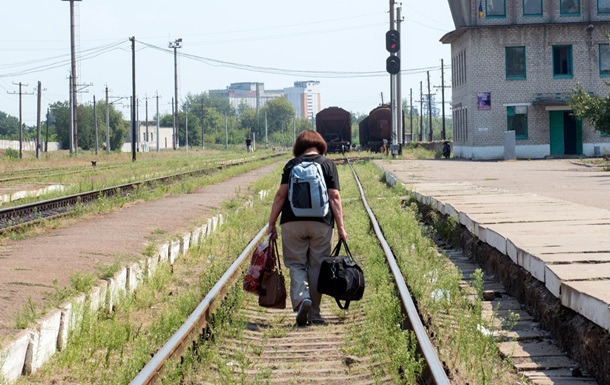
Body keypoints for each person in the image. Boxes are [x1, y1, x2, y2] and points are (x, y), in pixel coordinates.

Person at [267, 130, 347, 326]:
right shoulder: (328, 164)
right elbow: (334, 197)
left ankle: (303, 299)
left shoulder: (291, 165)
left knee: (296, 264)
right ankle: (315, 313)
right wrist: (341, 228)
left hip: (292, 223)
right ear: (320, 145)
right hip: (321, 223)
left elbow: (280, 196)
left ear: (299, 147)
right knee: (317, 266)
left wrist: (271, 223)